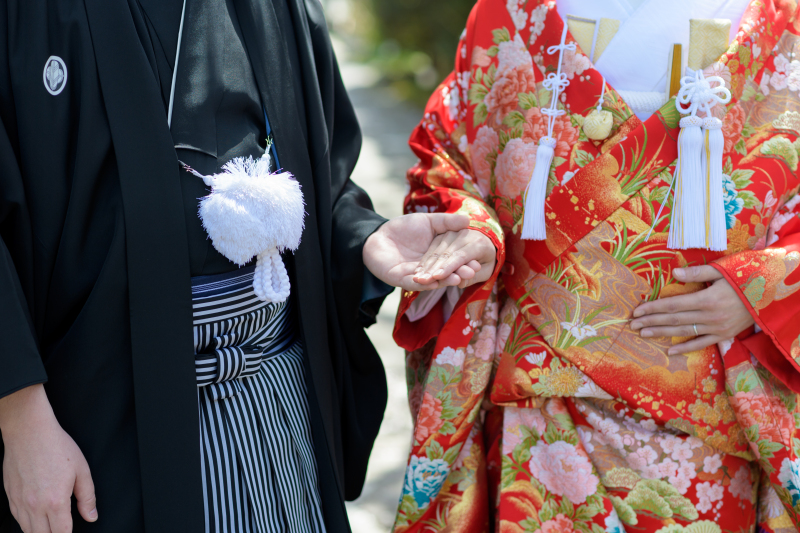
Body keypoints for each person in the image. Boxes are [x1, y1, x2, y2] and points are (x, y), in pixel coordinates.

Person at [0, 0, 479, 531]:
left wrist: (365, 238)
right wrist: (20, 415)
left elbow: (322, 178)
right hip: (105, 409)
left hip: (276, 401)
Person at [390, 0, 800, 531]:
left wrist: (761, 290)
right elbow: (448, 161)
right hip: (540, 395)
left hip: (705, 411)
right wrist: (472, 230)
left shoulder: (783, 22)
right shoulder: (509, 13)